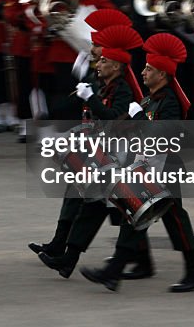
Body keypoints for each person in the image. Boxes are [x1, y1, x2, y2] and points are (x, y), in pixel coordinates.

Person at [80, 33, 194, 293]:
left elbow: (168, 131)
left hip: (166, 167)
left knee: (174, 221)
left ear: (163, 74)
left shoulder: (168, 100)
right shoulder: (150, 99)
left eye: (149, 69)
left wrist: (143, 123)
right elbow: (124, 123)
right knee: (136, 216)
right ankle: (116, 272)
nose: (143, 72)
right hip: (148, 165)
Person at [38, 23, 144, 279]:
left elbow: (109, 117)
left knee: (127, 211)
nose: (99, 61)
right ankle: (68, 258)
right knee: (91, 207)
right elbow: (78, 109)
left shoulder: (122, 91)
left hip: (117, 157)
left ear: (116, 67)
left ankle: (125, 263)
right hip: (96, 155)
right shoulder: (101, 84)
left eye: (104, 59)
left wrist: (90, 97)